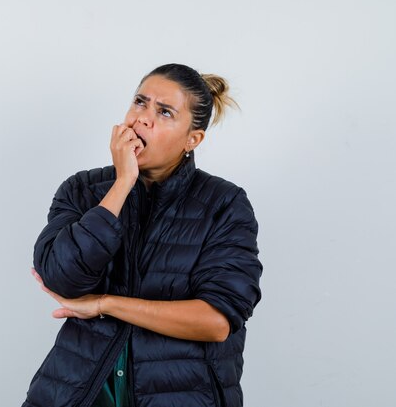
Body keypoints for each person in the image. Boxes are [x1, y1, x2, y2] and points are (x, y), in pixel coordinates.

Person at [22, 63, 263, 407]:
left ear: (191, 140)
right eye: (140, 102)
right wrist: (121, 185)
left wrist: (107, 304)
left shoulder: (224, 204)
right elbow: (62, 279)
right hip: (78, 390)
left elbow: (215, 321)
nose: (143, 118)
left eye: (164, 112)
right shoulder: (83, 190)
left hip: (183, 395)